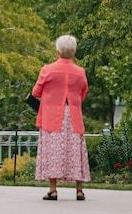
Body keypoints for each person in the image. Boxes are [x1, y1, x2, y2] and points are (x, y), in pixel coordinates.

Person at [31, 34, 90, 201]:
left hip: (52, 116)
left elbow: (36, 92)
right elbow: (83, 93)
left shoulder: (47, 70)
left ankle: (53, 189)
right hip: (73, 116)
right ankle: (79, 190)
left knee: (53, 150)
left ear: (57, 52)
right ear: (74, 52)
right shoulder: (80, 72)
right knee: (75, 149)